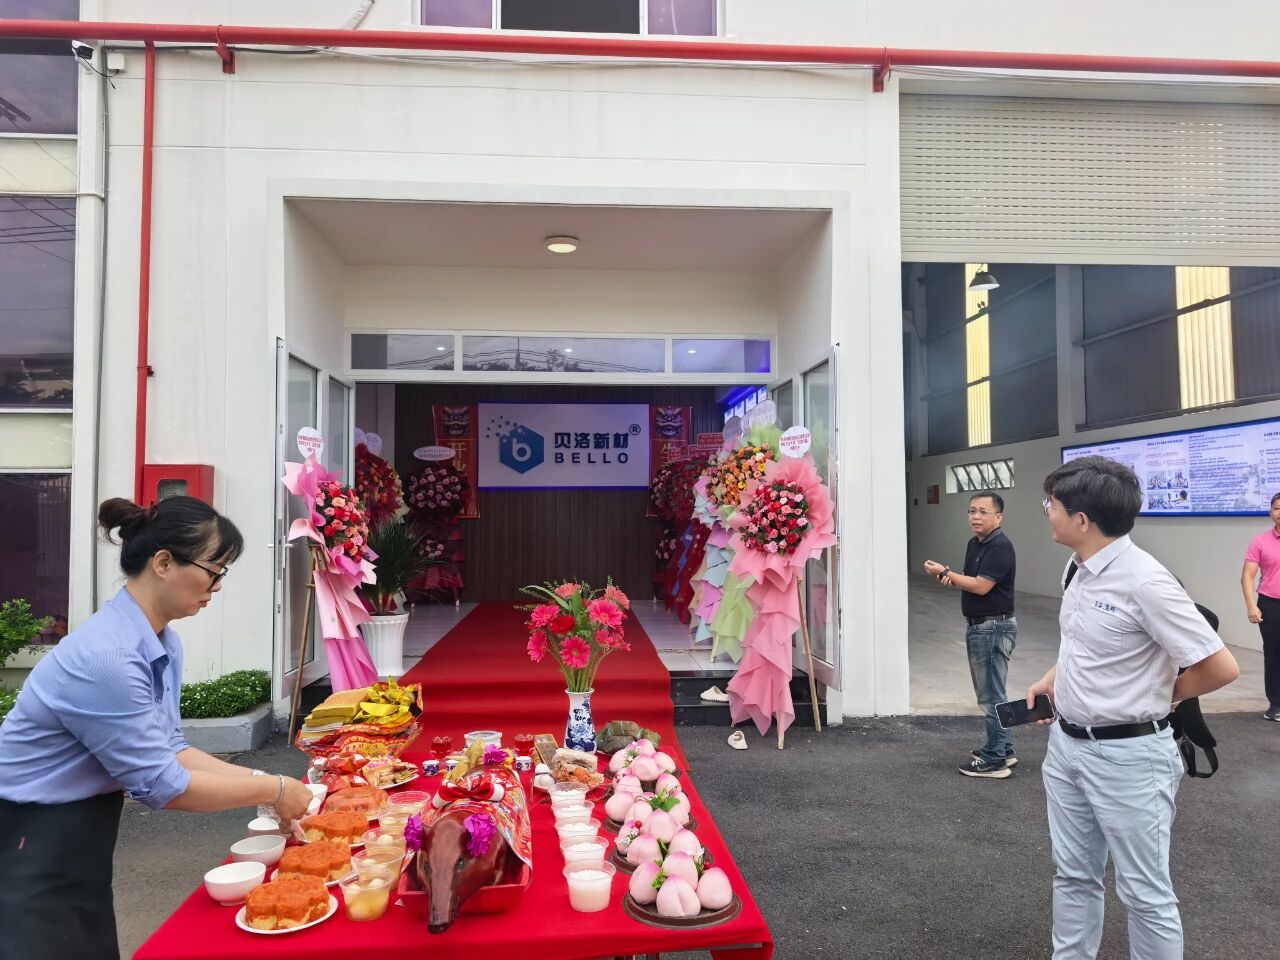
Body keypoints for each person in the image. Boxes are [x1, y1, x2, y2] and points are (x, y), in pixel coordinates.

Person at [0, 496, 313, 960]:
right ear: (164, 563)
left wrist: (270, 785)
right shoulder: (108, 657)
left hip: (81, 828)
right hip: (30, 833)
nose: (217, 586)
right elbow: (162, 784)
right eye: (214, 571)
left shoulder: (158, 641)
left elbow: (171, 748)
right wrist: (273, 788)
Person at [1027, 456, 1239, 960]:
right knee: (1073, 875)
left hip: (1129, 759)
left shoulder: (1146, 582)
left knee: (1145, 893)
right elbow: (1081, 641)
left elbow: (1220, 666)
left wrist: (1158, 695)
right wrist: (1055, 678)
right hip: (1067, 748)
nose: (1047, 512)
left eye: (1051, 505)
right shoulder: (1076, 568)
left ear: (1082, 520)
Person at [923, 490, 1018, 779]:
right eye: (972, 511)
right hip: (981, 626)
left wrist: (946, 571)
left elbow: (981, 586)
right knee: (993, 692)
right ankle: (1003, 749)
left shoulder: (1000, 546)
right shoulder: (975, 544)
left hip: (992, 627)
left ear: (999, 517)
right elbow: (969, 581)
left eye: (983, 512)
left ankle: (994, 761)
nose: (975, 516)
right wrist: (948, 577)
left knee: (991, 696)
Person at [1240, 491, 1280, 721]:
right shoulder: (1260, 541)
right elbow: (1247, 576)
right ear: (1270, 513)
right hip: (1270, 604)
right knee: (1273, 653)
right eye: (1277, 508)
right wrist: (1251, 606)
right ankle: (1276, 704)